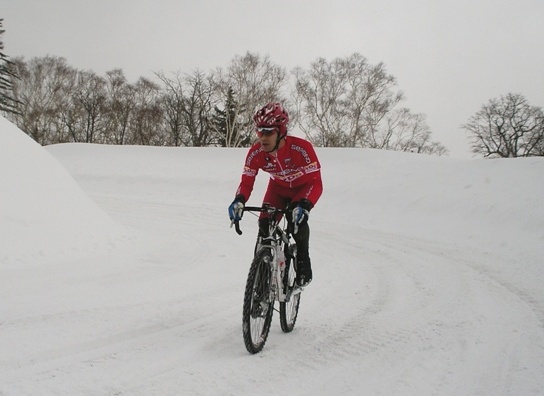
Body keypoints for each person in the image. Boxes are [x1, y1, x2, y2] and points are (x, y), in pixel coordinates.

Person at [228, 102, 323, 287]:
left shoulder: (301, 149)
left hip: (302, 189)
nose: (262, 138)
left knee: (297, 219)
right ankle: (261, 286)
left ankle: (303, 259)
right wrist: (239, 200)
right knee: (264, 225)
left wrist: (305, 204)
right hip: (277, 190)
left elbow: (316, 182)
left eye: (268, 132)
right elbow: (247, 182)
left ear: (281, 131)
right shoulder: (255, 153)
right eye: (259, 131)